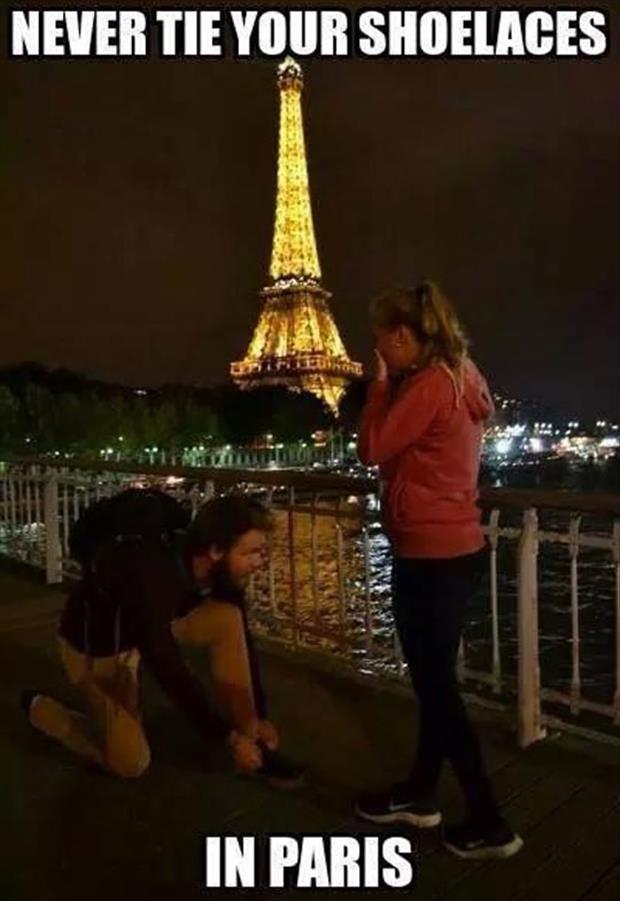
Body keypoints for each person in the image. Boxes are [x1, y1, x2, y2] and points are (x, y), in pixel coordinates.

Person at [354, 281, 523, 860]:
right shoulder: (462, 374)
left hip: (429, 553)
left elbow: (373, 445)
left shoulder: (426, 384)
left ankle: (489, 819)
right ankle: (421, 795)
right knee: (434, 684)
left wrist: (378, 387)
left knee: (438, 691)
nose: (379, 354)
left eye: (382, 344)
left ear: (403, 336)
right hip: (456, 547)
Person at [21, 493, 303, 787]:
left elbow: (241, 637)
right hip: (96, 650)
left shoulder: (215, 571)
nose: (261, 562)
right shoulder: (151, 577)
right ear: (217, 550)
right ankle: (43, 711)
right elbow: (170, 671)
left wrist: (259, 714)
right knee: (131, 762)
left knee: (227, 617)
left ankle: (253, 742)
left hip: (146, 630)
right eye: (252, 552)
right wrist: (226, 737)